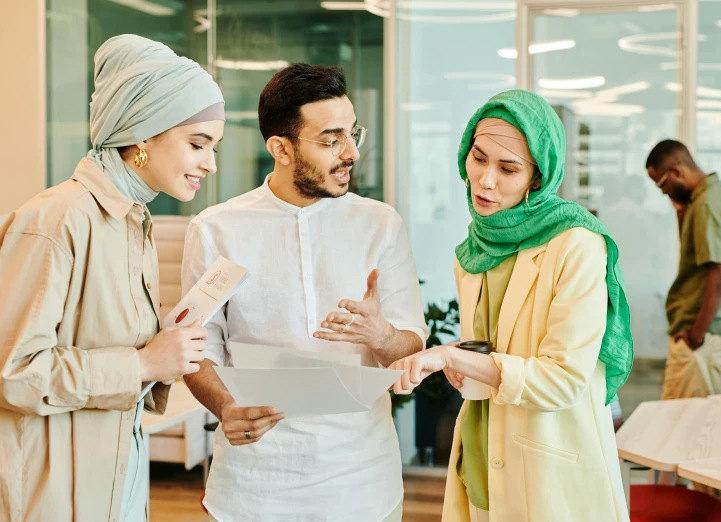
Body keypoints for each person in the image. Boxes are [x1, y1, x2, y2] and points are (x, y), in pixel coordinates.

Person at [180, 63, 427, 522]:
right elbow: (197, 347)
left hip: (363, 484)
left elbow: (410, 344)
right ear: (280, 148)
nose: (351, 151)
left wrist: (380, 334)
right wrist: (226, 406)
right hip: (253, 488)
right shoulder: (217, 229)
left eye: (353, 134)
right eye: (332, 139)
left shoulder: (380, 224)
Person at [0, 34, 224, 522]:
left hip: (117, 473)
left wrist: (163, 352)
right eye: (197, 144)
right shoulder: (54, 221)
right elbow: (14, 374)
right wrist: (143, 364)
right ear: (144, 133)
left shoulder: (131, 221)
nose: (210, 163)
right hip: (52, 493)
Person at [389, 90, 633, 521]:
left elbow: (562, 380)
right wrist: (459, 365)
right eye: (479, 158)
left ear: (537, 178)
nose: (485, 180)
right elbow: (489, 357)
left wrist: (450, 355)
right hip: (480, 462)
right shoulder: (472, 253)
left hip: (550, 471)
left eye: (508, 168)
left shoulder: (576, 244)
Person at [646, 140, 721, 400]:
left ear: (677, 171)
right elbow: (695, 259)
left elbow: (718, 272)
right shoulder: (713, 195)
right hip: (709, 330)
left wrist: (696, 335)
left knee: (686, 424)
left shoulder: (705, 204)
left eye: (661, 184)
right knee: (688, 421)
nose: (662, 192)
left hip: (703, 334)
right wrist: (681, 214)